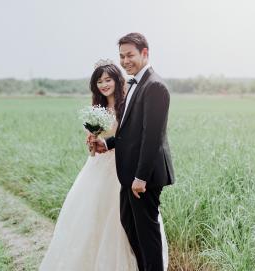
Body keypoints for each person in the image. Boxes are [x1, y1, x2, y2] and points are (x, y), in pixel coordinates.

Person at [39, 61, 168, 271]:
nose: (104, 85)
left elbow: (133, 136)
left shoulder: (128, 103)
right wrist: (93, 144)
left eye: (108, 79)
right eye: (99, 81)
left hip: (125, 167)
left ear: (117, 80)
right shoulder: (94, 111)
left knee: (129, 223)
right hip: (99, 170)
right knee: (94, 219)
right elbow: (92, 152)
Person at [91, 33, 175, 271]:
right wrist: (106, 144)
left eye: (130, 55)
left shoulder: (155, 86)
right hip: (128, 175)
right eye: (122, 56)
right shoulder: (134, 84)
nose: (125, 61)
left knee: (147, 236)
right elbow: (130, 132)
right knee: (129, 224)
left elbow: (152, 137)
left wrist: (141, 178)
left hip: (143, 177)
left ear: (145, 53)